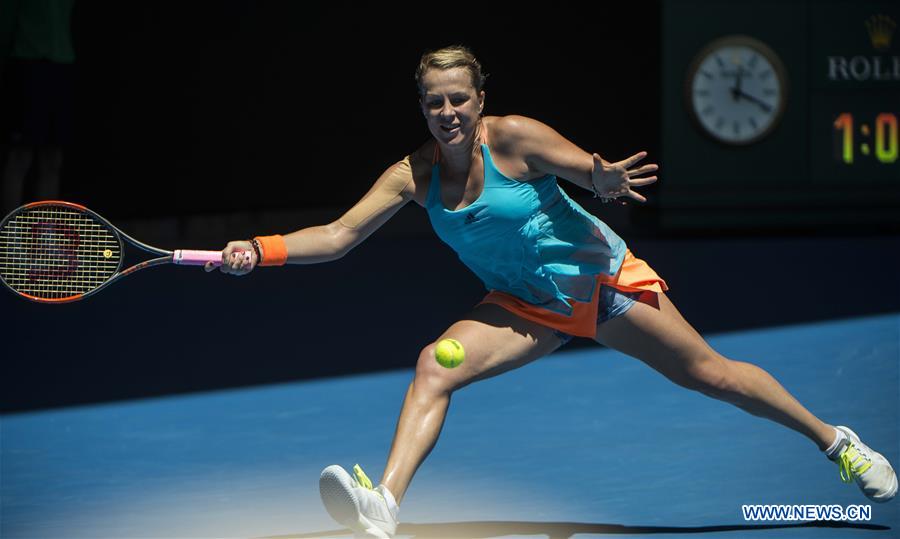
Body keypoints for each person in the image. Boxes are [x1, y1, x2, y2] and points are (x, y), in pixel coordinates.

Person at [206, 46, 897, 537]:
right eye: (434, 101)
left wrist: (601, 178)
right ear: (421, 107)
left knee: (712, 375)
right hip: (521, 307)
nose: (447, 111)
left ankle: (836, 442)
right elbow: (337, 235)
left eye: (458, 98)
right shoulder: (410, 175)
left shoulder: (511, 139)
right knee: (433, 363)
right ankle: (385, 502)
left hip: (601, 285)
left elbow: (583, 166)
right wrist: (258, 250)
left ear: (480, 101)